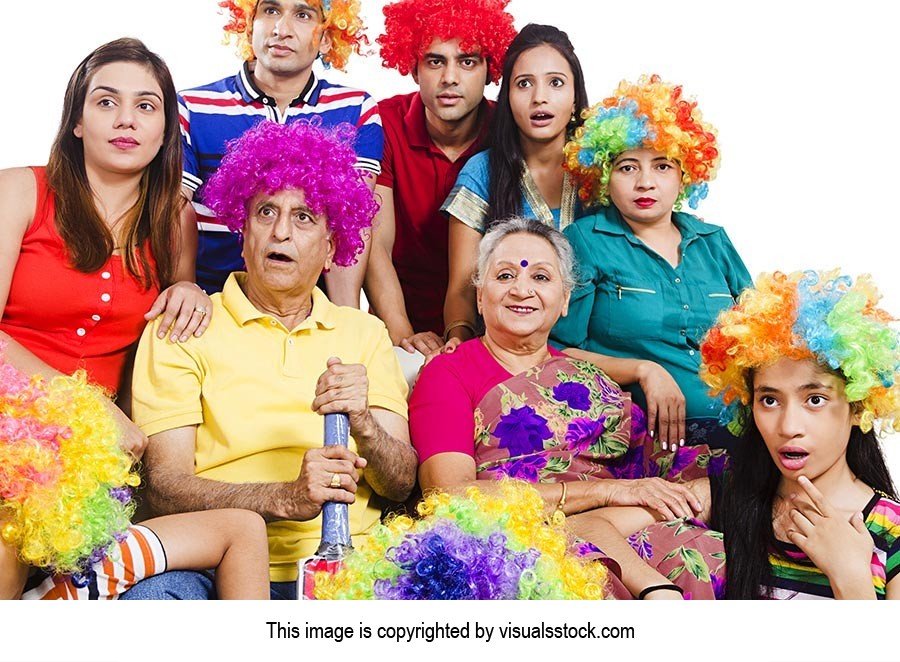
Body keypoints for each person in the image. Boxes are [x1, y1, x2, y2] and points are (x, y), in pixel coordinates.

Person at [129, 120, 417, 600]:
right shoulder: (182, 326)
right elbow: (161, 487)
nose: (281, 231)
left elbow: (401, 482)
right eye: (266, 212)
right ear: (242, 232)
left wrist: (364, 422)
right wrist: (285, 496)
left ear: (330, 249)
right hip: (209, 561)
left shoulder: (364, 333)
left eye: (304, 217)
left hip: (353, 564)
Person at [409, 218, 727, 598]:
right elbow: (451, 496)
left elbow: (651, 462)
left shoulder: (587, 374)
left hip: (621, 526)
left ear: (564, 301)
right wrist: (605, 494)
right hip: (520, 543)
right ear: (480, 295)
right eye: (505, 275)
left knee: (710, 542)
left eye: (541, 278)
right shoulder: (449, 373)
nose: (521, 289)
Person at [599, 270, 900, 599]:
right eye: (769, 400)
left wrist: (852, 580)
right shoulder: (727, 498)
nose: (787, 427)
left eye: (815, 400)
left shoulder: (892, 532)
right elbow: (584, 528)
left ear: (859, 406)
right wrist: (654, 587)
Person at [0, 37, 211, 462]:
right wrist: (89, 408)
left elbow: (158, 353)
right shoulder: (19, 190)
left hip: (92, 459)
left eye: (146, 106)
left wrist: (190, 290)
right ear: (77, 120)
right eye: (106, 103)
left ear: (167, 129)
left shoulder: (175, 220)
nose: (126, 121)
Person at [552, 74, 752, 450]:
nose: (645, 182)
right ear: (604, 176)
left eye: (662, 166)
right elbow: (557, 351)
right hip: (650, 440)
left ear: (684, 175)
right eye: (628, 167)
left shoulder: (714, 241)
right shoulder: (587, 240)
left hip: (749, 428)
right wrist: (645, 370)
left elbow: (760, 341)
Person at [181, 0, 381, 306]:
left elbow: (348, 225)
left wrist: (346, 319)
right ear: (249, 26)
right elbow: (170, 211)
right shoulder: (193, 107)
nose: (281, 29)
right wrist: (184, 289)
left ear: (327, 38)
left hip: (309, 311)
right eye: (270, 11)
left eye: (302, 14)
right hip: (211, 305)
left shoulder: (356, 110)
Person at [364, 0, 516, 354]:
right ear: (414, 69)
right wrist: (403, 334)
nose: (450, 78)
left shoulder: (509, 133)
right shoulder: (383, 124)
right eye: (435, 60)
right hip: (397, 321)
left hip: (494, 331)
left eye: (467, 61)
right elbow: (374, 245)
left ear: (490, 70)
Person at [442, 24, 588, 347]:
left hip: (597, 354)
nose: (540, 98)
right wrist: (459, 339)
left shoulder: (600, 172)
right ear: (507, 97)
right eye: (524, 84)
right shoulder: (482, 172)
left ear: (576, 96)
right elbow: (462, 289)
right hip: (506, 351)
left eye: (556, 83)